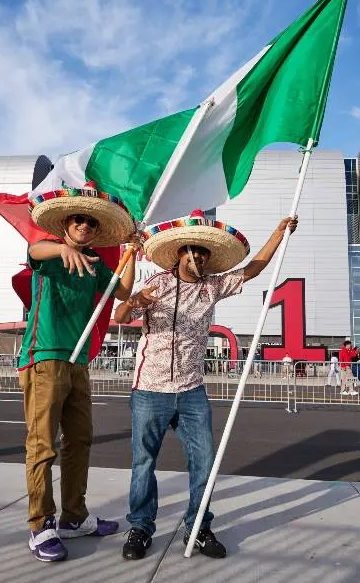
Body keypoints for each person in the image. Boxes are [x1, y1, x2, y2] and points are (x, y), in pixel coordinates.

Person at [115, 210, 298, 561]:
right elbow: (121, 317)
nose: (198, 257)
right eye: (192, 251)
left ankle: (198, 526)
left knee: (204, 462)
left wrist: (279, 232)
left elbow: (253, 269)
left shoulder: (212, 287)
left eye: (203, 253)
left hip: (192, 391)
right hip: (150, 389)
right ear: (179, 254)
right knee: (143, 463)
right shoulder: (157, 285)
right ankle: (140, 527)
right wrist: (135, 302)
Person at [20, 183, 138, 562]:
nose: (84, 225)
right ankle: (41, 525)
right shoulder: (50, 253)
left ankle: (74, 517)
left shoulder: (96, 265)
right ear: (66, 224)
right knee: (43, 444)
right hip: (45, 357)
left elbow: (122, 292)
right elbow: (33, 251)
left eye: (90, 221)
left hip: (78, 361)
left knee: (80, 439)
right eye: (78, 219)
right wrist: (62, 249)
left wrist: (132, 253)